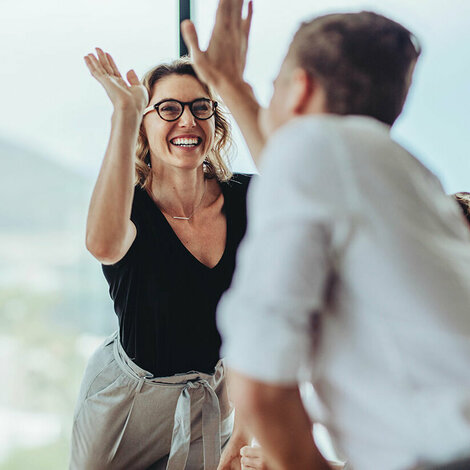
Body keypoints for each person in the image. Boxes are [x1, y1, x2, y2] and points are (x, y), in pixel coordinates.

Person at [182, 2, 470, 470]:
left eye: (273, 87)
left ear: (300, 90)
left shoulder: (315, 149)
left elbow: (259, 384)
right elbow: (292, 163)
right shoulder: (406, 175)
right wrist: (232, 87)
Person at [70, 49, 258, 469]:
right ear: (144, 125)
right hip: (125, 405)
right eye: (169, 109)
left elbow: (263, 325)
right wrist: (124, 112)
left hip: (210, 400)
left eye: (200, 107)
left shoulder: (249, 199)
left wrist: (245, 430)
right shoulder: (128, 207)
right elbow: (102, 245)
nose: (187, 121)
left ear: (214, 121)